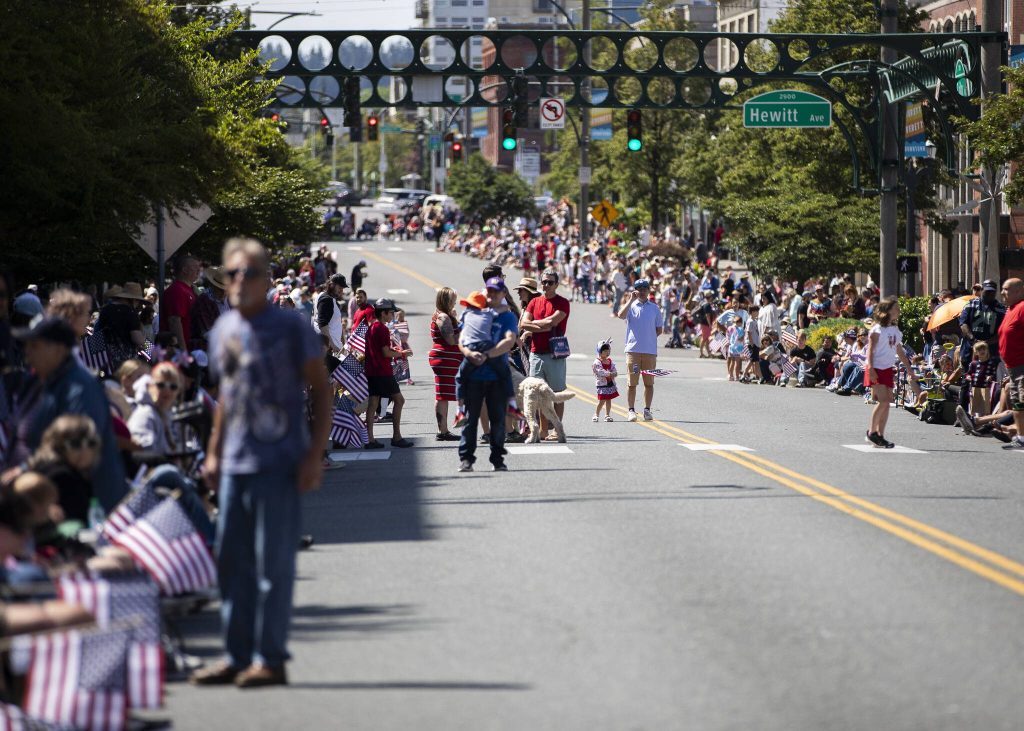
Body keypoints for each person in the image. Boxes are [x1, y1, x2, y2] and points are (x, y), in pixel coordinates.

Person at [192, 238, 332, 689]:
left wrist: (315, 454)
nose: (239, 281)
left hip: (279, 460)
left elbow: (322, 389)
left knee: (273, 566)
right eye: (231, 273)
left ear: (267, 279)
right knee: (231, 563)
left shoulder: (291, 326)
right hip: (234, 463)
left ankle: (269, 658)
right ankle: (236, 656)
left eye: (249, 273)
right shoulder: (222, 330)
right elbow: (227, 400)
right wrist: (212, 454)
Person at [12, 317, 127, 511]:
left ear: (59, 349)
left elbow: (79, 448)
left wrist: (23, 469)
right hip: (52, 498)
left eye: (35, 345)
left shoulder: (79, 387)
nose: (27, 352)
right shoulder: (49, 382)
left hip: (87, 507)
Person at [457, 285, 518, 473]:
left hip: (495, 376)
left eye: (496, 292)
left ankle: (497, 459)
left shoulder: (507, 316)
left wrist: (488, 354)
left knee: (497, 420)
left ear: (503, 294)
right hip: (474, 376)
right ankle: (466, 459)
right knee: (470, 420)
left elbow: (510, 340)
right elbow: (461, 338)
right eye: (489, 291)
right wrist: (468, 352)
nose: (492, 295)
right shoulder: (473, 313)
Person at [521, 270, 570, 441]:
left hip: (555, 354)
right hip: (536, 353)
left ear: (557, 284)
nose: (546, 285)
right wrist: (539, 326)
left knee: (557, 393)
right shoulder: (534, 302)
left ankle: (557, 429)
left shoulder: (563, 303)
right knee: (539, 395)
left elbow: (552, 322)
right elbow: (523, 323)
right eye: (544, 282)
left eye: (550, 282)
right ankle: (542, 430)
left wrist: (533, 325)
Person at [864, 297, 917, 448]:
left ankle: (880, 435)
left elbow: (899, 351)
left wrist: (909, 370)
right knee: (884, 401)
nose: (898, 310)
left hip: (887, 368)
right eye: (896, 308)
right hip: (876, 368)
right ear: (887, 310)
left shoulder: (895, 330)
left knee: (888, 403)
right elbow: (870, 351)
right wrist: (871, 368)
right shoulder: (876, 330)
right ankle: (871, 432)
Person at [363, 298, 413, 449]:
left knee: (373, 404)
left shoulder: (372, 327)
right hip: (382, 372)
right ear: (383, 313)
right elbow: (385, 352)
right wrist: (402, 353)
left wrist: (396, 352)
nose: (393, 315)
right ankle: (396, 437)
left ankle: (370, 439)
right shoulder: (382, 329)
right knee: (399, 401)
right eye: (391, 312)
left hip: (372, 370)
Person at [617, 279, 663, 421]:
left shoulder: (654, 308)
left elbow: (659, 329)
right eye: (639, 288)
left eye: (644, 288)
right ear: (635, 290)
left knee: (649, 383)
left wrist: (647, 338)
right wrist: (631, 300)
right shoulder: (631, 306)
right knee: (632, 382)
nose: (642, 291)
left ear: (649, 290)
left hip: (649, 352)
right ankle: (631, 410)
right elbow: (620, 315)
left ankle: (647, 410)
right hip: (633, 351)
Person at [127, 361, 184, 458]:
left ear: (178, 391)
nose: (167, 390)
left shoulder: (171, 416)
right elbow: (144, 452)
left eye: (173, 387)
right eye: (161, 385)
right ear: (150, 387)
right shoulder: (145, 414)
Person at [428, 287, 463, 441]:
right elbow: (450, 339)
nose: (454, 302)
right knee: (442, 394)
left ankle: (443, 430)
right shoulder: (443, 317)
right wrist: (466, 329)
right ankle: (442, 431)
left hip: (447, 358)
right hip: (445, 358)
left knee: (444, 394)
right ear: (445, 300)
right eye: (452, 299)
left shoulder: (445, 315)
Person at [997, 278, 1024, 449]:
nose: (1002, 293)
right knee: (1017, 402)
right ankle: (1021, 437)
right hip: (1012, 367)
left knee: (1022, 399)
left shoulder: (1022, 308)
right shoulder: (1010, 309)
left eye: (1006, 289)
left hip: (1022, 364)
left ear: (1019, 291)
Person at [959, 279, 1006, 366]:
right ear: (982, 290)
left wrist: (987, 342)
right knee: (969, 375)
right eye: (987, 291)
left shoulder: (1001, 309)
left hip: (991, 353)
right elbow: (963, 324)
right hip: (970, 350)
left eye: (992, 292)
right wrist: (973, 339)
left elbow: (1003, 331)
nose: (989, 294)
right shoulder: (971, 305)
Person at [161, 254, 200, 350]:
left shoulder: (190, 290)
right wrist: (183, 349)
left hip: (192, 347)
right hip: (179, 351)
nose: (199, 271)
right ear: (185, 270)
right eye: (195, 267)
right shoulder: (177, 290)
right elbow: (174, 320)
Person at [313, 274, 348, 354]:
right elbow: (322, 324)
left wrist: (343, 341)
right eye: (340, 287)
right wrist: (332, 345)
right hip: (328, 348)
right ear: (331, 285)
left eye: (342, 288)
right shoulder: (327, 300)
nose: (341, 291)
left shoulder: (325, 296)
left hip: (328, 346)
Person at [592, 339, 618, 422]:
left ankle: (607, 415)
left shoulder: (609, 361)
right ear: (600, 351)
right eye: (605, 351)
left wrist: (614, 373)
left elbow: (613, 369)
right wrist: (609, 373)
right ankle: (596, 414)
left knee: (609, 399)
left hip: (610, 383)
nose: (607, 352)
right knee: (602, 400)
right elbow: (600, 371)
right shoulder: (597, 362)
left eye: (608, 350)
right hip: (602, 384)